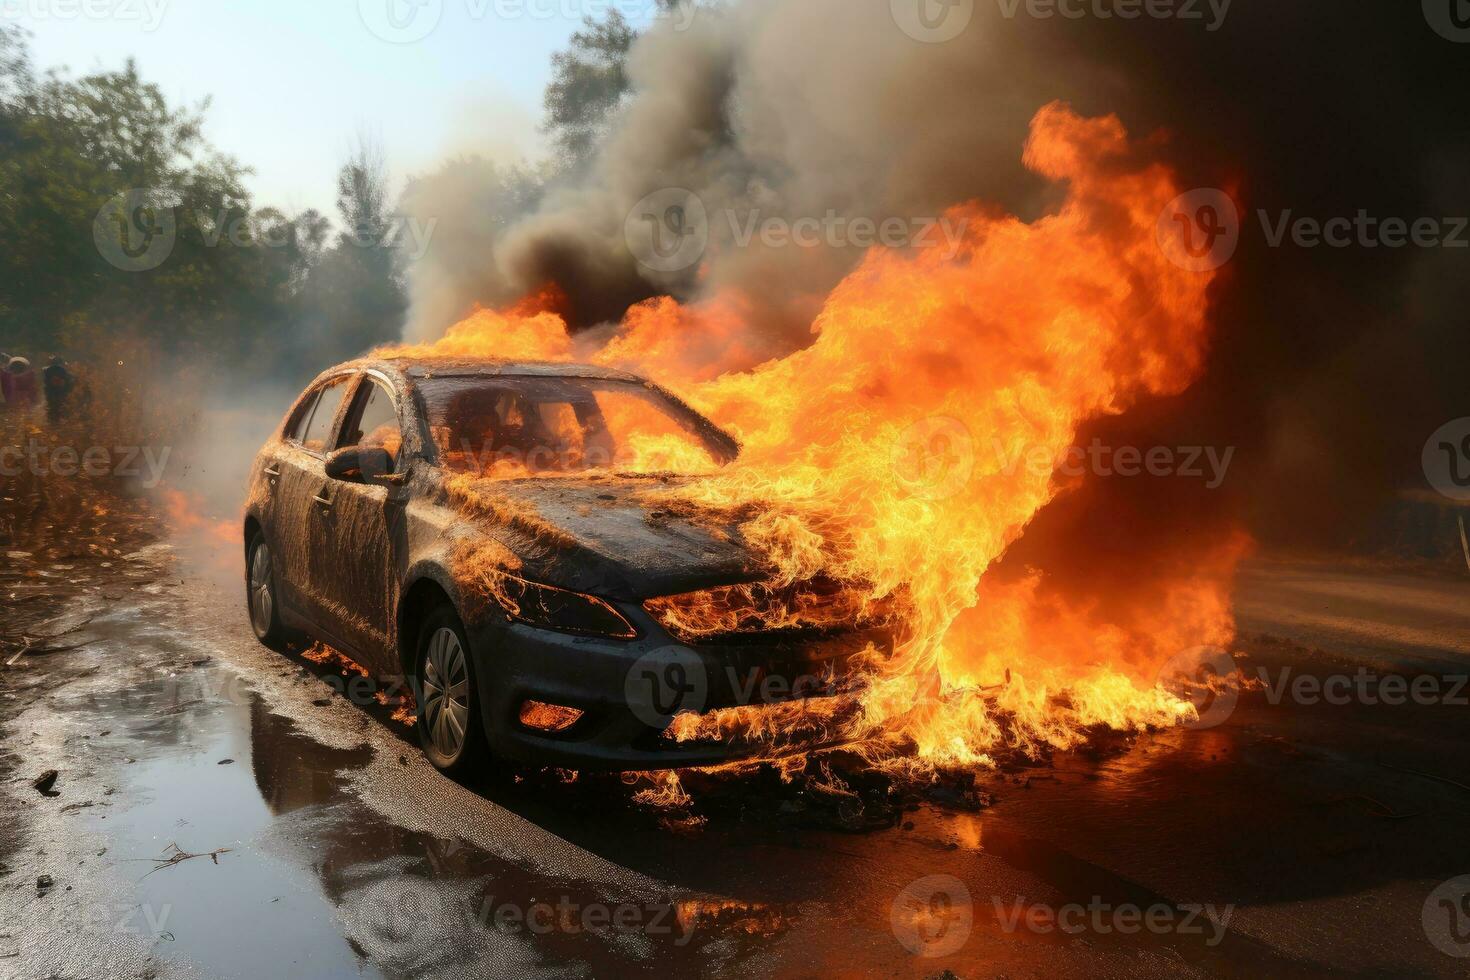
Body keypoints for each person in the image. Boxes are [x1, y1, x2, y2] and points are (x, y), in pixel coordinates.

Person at [42, 356, 75, 424]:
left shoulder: (48, 370)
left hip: (55, 391)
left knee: (54, 407)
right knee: (58, 407)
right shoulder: (64, 371)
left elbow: (46, 382)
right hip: (59, 391)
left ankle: (54, 422)